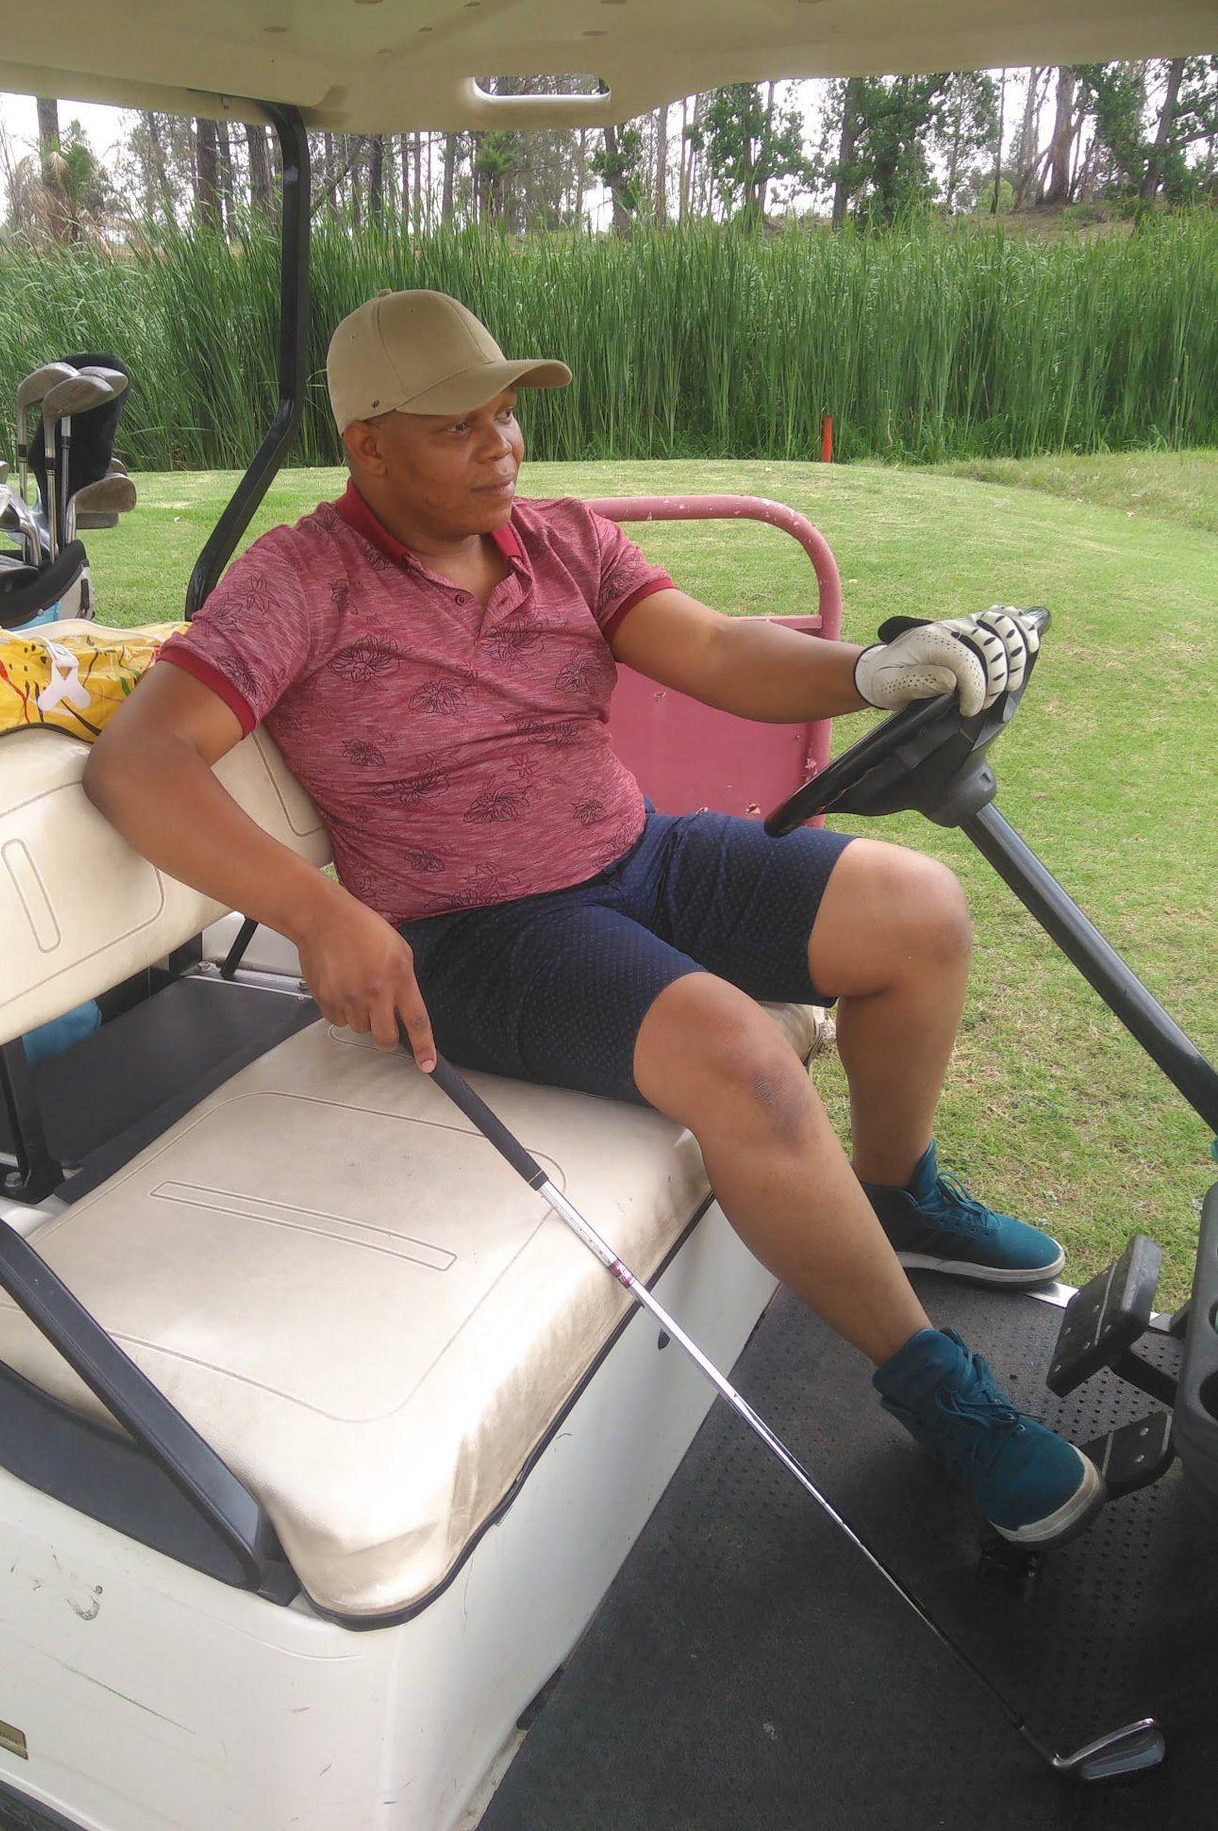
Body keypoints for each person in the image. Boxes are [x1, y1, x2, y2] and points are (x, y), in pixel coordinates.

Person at [84, 288, 1104, 1552]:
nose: (502, 443)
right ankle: (934, 1387)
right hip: (478, 935)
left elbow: (718, 651)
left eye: (507, 413)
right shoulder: (299, 579)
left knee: (917, 909)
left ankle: (898, 1193)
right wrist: (317, 912)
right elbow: (138, 765)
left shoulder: (561, 541)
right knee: (743, 1063)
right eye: (461, 425)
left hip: (637, 855)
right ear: (369, 445)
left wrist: (868, 672)